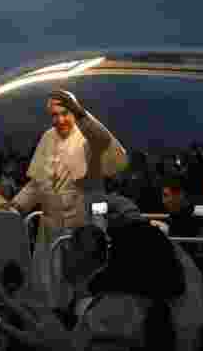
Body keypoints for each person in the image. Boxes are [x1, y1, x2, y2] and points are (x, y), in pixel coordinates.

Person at [8, 89, 127, 308]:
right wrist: (15, 206)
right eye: (54, 115)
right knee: (47, 290)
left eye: (65, 113)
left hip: (81, 228)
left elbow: (114, 154)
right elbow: (37, 183)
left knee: (81, 289)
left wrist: (82, 114)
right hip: (50, 228)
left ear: (75, 111)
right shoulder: (47, 138)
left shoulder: (89, 136)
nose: (60, 119)